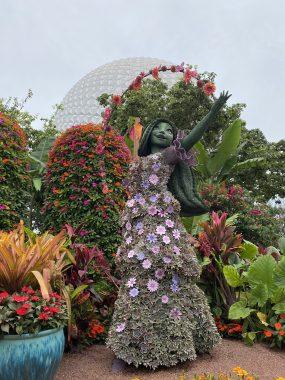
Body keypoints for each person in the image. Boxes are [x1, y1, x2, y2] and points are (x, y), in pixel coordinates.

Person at [107, 91, 231, 369]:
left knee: (163, 270)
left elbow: (193, 137)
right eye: (158, 129)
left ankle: (176, 340)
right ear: (149, 133)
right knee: (137, 275)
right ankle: (130, 346)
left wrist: (215, 110)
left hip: (159, 220)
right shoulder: (135, 161)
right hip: (136, 220)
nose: (164, 133)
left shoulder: (170, 155)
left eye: (169, 130)